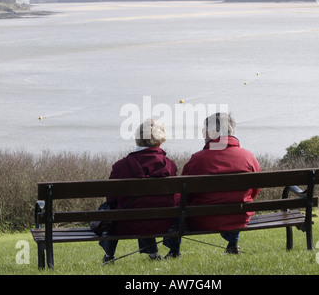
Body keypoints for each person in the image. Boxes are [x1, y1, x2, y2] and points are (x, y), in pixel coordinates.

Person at [175, 112, 261, 255]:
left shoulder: (197, 159)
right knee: (234, 205)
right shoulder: (248, 157)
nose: (204, 135)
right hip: (240, 217)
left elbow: (185, 194)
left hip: (203, 219)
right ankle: (233, 243)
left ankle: (174, 250)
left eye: (205, 131)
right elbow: (254, 190)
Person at [99, 118, 177, 263]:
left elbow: (111, 199)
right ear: (160, 141)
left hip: (126, 225)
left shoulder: (120, 166)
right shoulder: (170, 166)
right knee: (148, 206)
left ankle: (109, 256)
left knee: (109, 208)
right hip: (161, 223)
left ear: (138, 139)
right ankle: (154, 254)